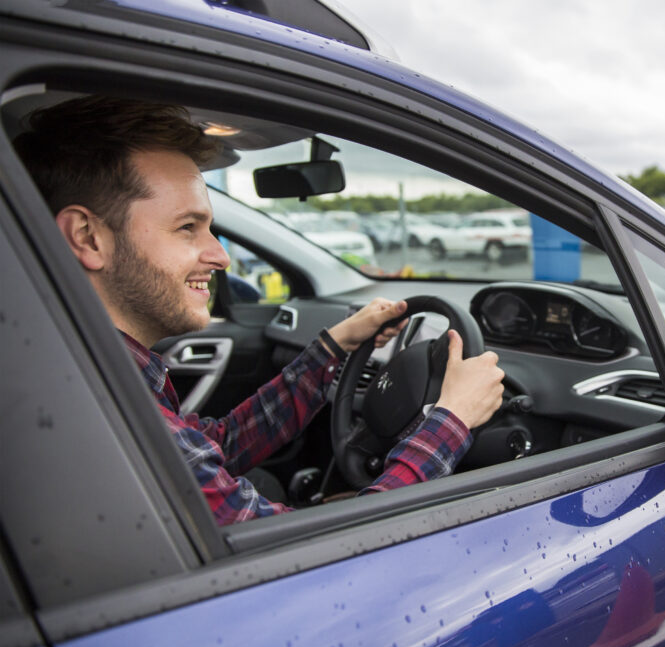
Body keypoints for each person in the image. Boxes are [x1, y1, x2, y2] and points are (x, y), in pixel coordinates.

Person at [14, 95, 505, 525]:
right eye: (188, 228)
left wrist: (335, 346)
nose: (221, 256)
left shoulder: (81, 369)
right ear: (87, 237)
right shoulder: (108, 409)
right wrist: (451, 421)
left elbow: (217, 447)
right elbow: (320, 557)